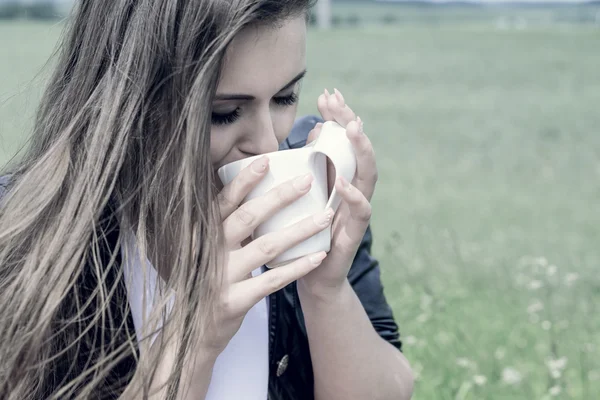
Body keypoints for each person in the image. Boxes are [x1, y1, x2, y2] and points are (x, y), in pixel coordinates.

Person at [0, 1, 414, 399]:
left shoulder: (312, 180)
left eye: (286, 97)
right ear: (130, 102)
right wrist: (194, 340)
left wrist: (324, 288)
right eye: (225, 112)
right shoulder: (25, 240)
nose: (268, 143)